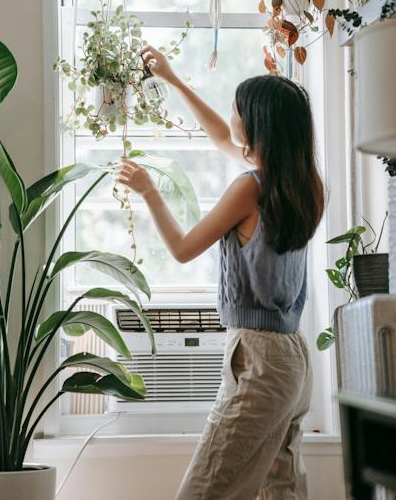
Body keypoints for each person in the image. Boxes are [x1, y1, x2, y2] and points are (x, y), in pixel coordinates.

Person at [116, 46, 324, 500]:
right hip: (294, 359)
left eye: (236, 107)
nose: (230, 114)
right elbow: (218, 138)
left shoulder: (248, 189)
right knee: (279, 490)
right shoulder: (305, 182)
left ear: (256, 124)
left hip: (260, 360)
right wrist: (172, 79)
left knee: (203, 490)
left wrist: (149, 191)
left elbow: (183, 249)